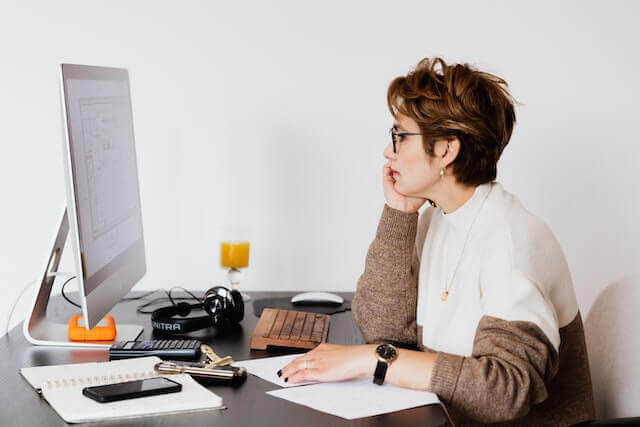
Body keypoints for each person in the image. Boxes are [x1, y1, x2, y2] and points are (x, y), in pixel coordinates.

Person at [279, 57, 595, 425]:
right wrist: (399, 213)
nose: (388, 150)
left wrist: (372, 360)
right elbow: (384, 330)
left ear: (446, 149)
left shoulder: (511, 241)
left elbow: (503, 393)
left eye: (399, 135)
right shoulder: (437, 219)